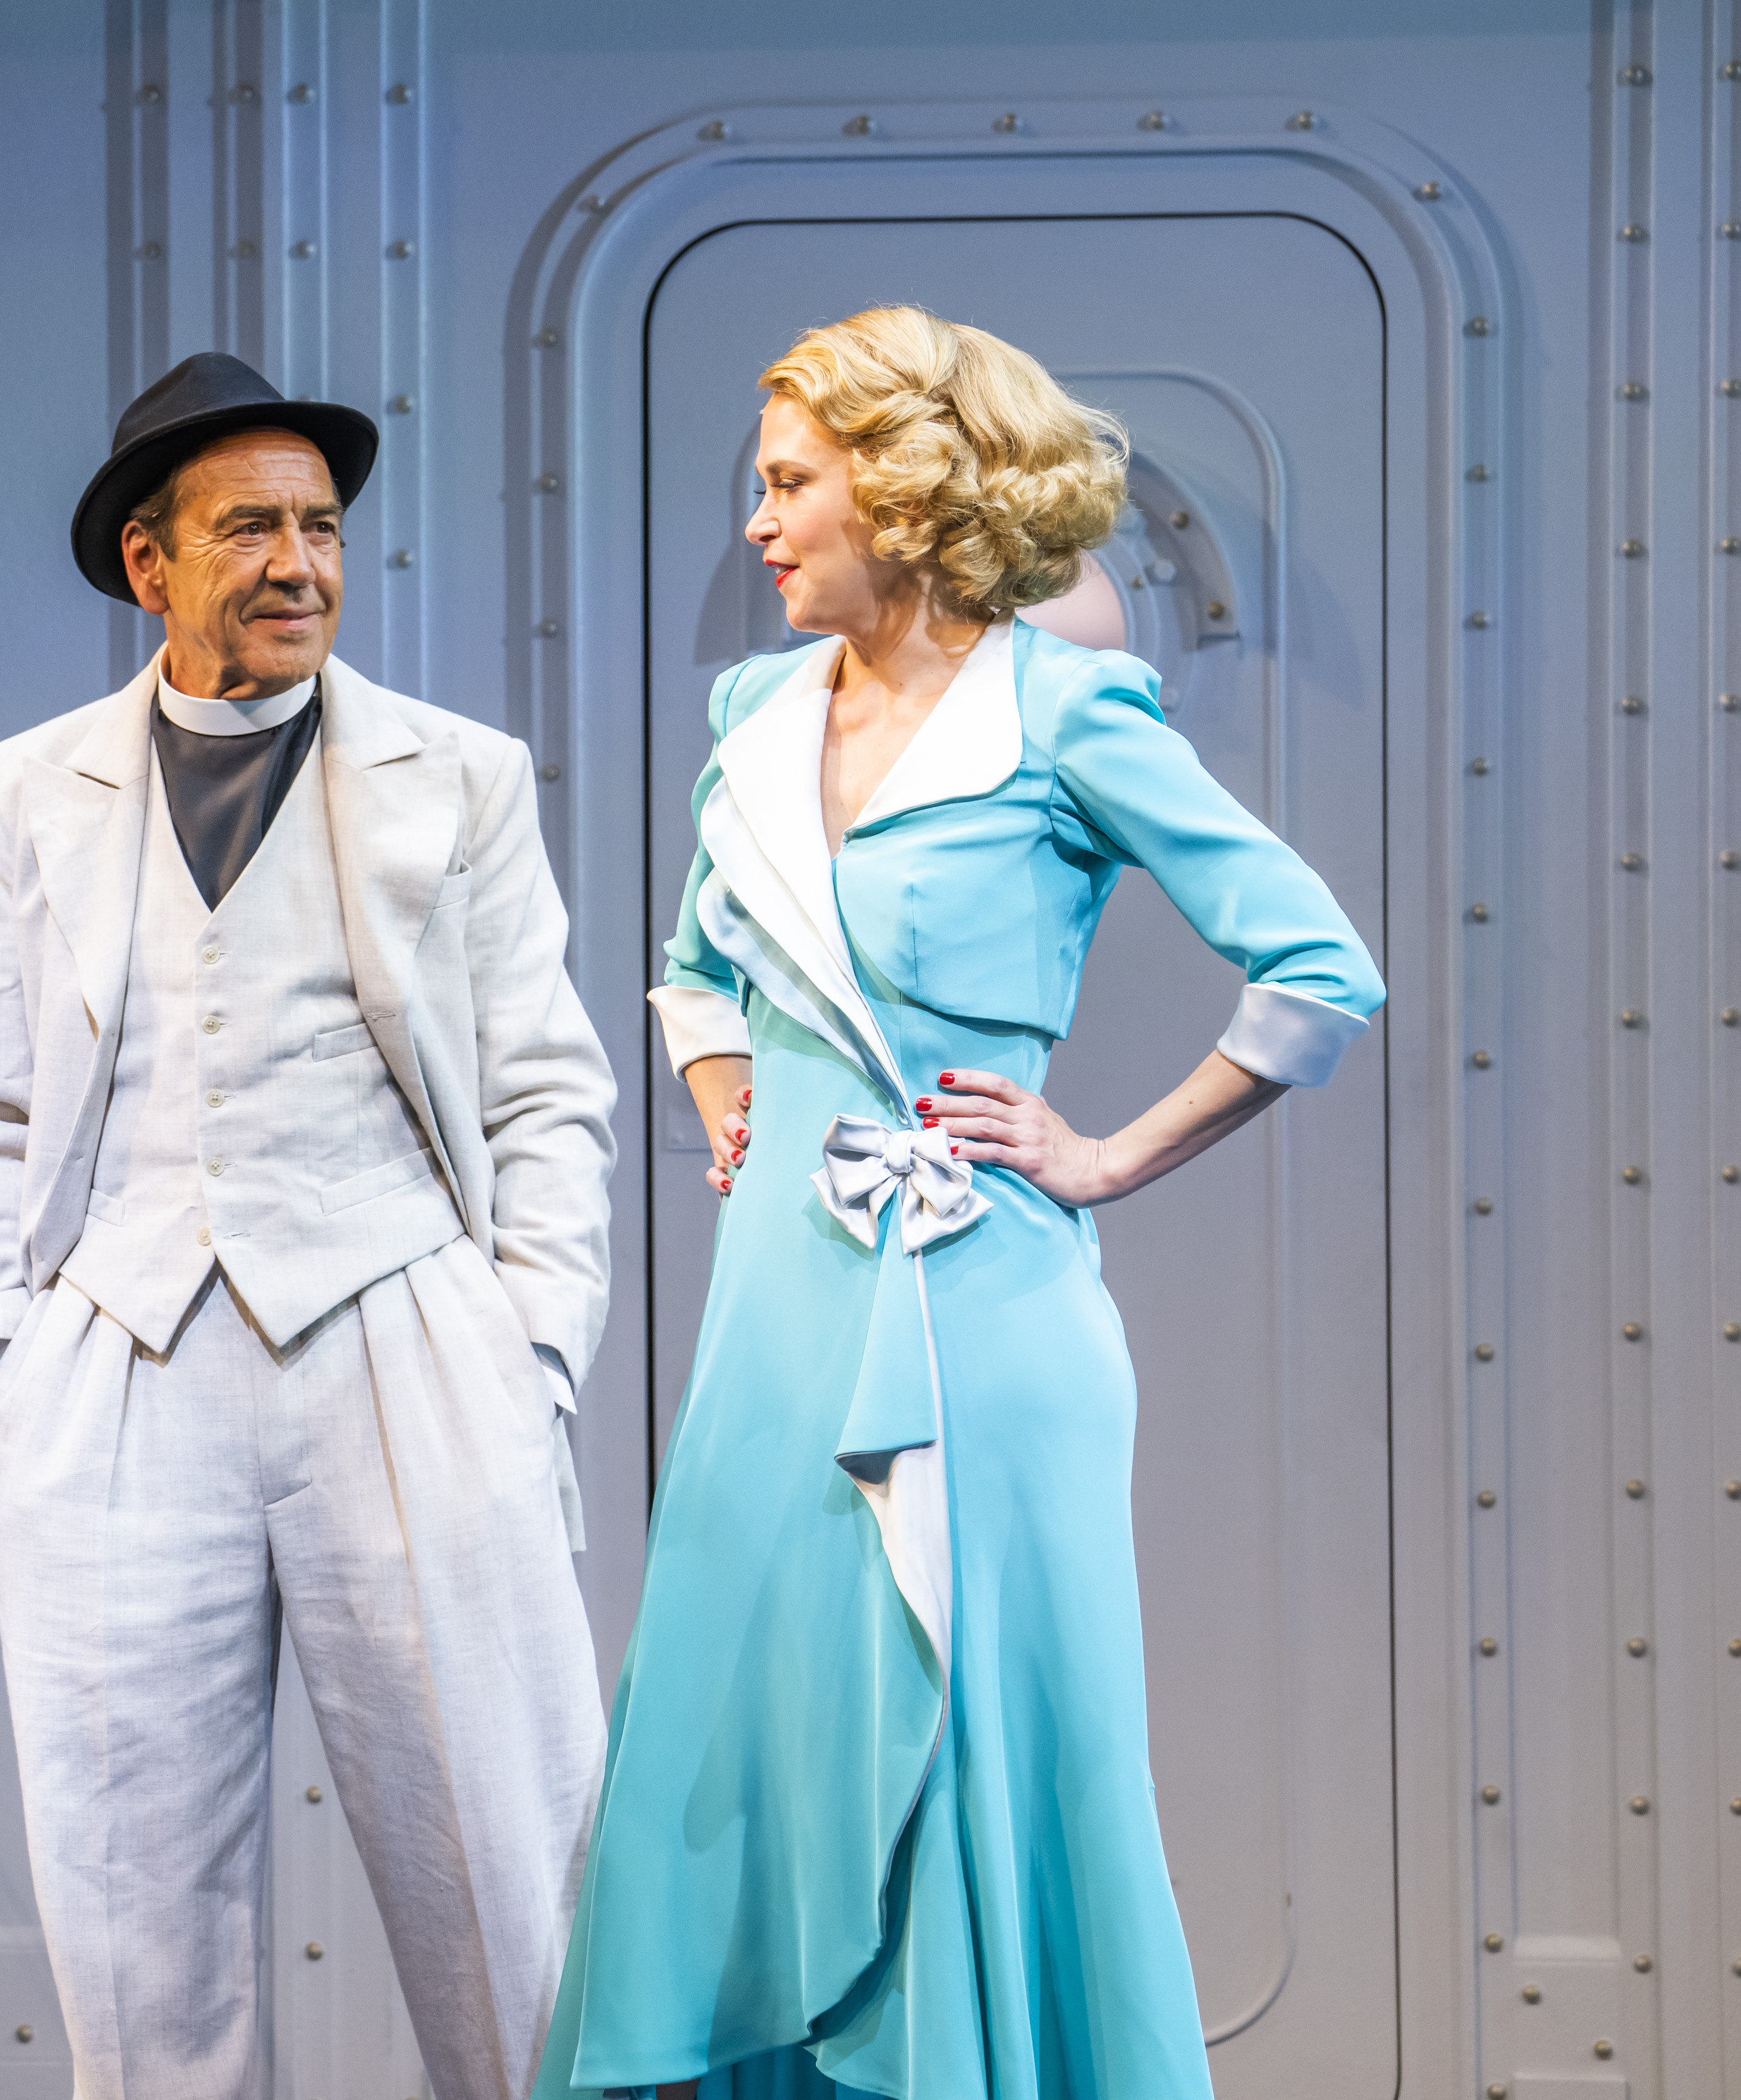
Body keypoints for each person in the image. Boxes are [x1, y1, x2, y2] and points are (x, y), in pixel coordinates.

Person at [536, 308, 1384, 2100]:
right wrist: (738, 1108)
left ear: (907, 492)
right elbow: (695, 972)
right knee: (749, 1736)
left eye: (790, 484)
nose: (759, 523)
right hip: (777, 1315)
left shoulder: (1065, 712)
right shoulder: (756, 716)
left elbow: (1321, 970)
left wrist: (1106, 1156)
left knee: (985, 1750)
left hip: (983, 1307)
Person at [0, 350, 617, 2100]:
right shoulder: (29, 787)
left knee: (511, 1882)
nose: (300, 563)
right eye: (251, 529)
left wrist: (529, 1354)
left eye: (322, 528)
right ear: (149, 563)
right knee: (130, 1917)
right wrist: (7, 1359)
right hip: (120, 1358)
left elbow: (546, 1089)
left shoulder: (463, 775)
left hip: (404, 1339)